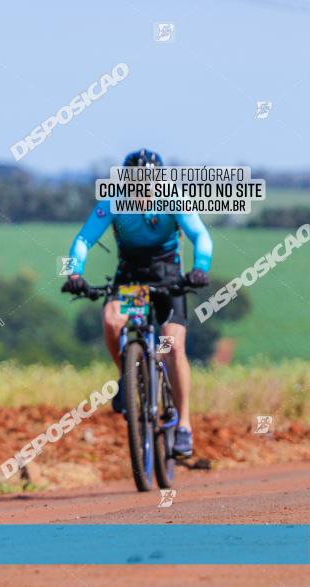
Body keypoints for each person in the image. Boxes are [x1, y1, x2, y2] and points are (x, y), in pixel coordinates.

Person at [61, 149, 212, 458]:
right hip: (132, 281)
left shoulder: (174, 199)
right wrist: (74, 272)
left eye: (150, 180)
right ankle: (127, 378)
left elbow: (200, 235)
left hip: (169, 278)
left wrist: (200, 268)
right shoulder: (114, 202)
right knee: (112, 320)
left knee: (173, 346)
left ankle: (183, 424)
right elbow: (83, 239)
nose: (143, 187)